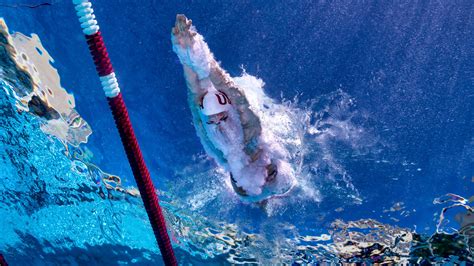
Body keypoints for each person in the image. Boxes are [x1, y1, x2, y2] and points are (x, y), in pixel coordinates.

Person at [171, 14, 294, 202]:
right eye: (271, 173)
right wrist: (197, 51)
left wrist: (185, 55)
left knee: (200, 98)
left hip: (234, 155)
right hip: (246, 141)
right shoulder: (256, 136)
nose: (265, 175)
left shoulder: (218, 149)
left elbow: (194, 98)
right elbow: (233, 94)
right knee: (219, 93)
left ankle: (188, 53)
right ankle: (194, 53)